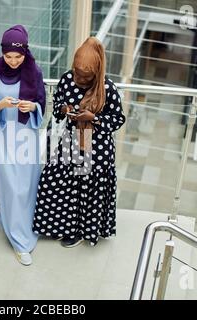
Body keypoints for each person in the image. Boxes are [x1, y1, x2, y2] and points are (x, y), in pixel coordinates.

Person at [33, 37, 126, 247]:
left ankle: (79, 231)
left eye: (85, 77)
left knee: (86, 188)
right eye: (77, 73)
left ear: (96, 72)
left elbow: (118, 119)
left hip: (97, 146)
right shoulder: (67, 79)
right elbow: (57, 104)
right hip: (71, 140)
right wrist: (66, 109)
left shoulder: (107, 89)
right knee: (56, 180)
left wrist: (93, 118)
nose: (79, 79)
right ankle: (59, 225)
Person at [0, 25, 46, 266]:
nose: (13, 61)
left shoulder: (35, 71)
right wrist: (0, 106)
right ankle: (20, 241)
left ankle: (19, 221)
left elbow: (41, 104)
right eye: (8, 56)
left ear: (25, 53)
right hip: (5, 135)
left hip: (27, 135)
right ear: (2, 53)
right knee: (12, 187)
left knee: (27, 187)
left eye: (18, 56)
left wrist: (33, 108)